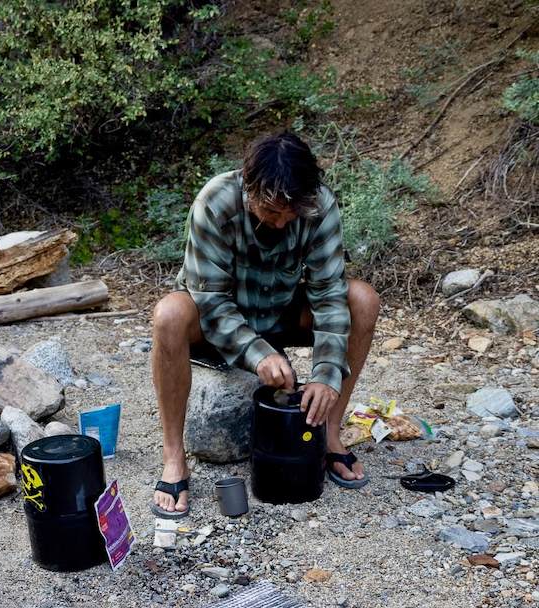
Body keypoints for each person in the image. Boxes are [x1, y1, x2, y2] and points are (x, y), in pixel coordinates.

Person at [151, 132, 380, 517]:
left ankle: (330, 436)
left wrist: (326, 374)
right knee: (169, 314)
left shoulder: (318, 205)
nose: (280, 222)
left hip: (282, 311)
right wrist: (259, 355)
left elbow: (328, 295)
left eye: (290, 213)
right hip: (218, 320)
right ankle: (174, 456)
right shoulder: (216, 202)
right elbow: (210, 299)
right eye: (271, 211)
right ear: (248, 184)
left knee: (363, 300)